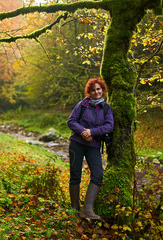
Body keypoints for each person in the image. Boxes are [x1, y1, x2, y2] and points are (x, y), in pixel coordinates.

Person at [67, 77, 114, 220]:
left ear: (103, 90)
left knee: (98, 174)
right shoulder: (82, 105)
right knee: (75, 174)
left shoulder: (106, 108)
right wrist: (83, 131)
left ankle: (88, 210)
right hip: (77, 143)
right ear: (89, 92)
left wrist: (92, 132)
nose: (96, 92)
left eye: (98, 89)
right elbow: (71, 121)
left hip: (93, 145)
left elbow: (109, 126)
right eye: (93, 90)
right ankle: (75, 208)